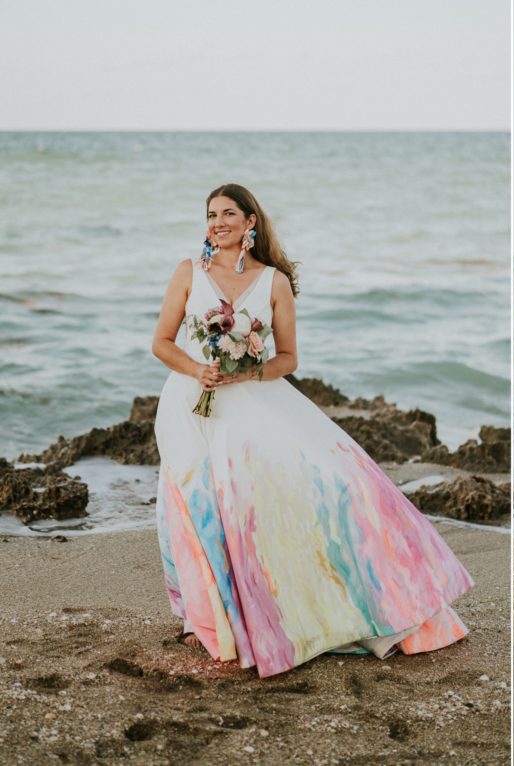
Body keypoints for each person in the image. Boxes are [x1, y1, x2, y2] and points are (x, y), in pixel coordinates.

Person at [150, 183, 473, 677]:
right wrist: (200, 371)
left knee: (317, 488)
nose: (217, 222)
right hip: (189, 405)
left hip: (251, 400)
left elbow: (287, 359)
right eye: (211, 214)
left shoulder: (273, 282)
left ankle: (319, 606)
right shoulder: (188, 273)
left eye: (228, 213)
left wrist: (243, 372)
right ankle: (213, 619)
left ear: (250, 221)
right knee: (204, 507)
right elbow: (162, 343)